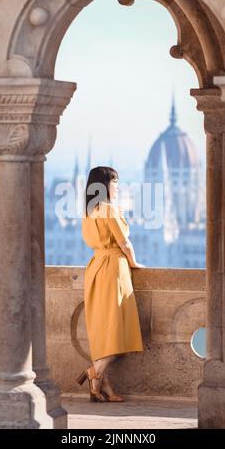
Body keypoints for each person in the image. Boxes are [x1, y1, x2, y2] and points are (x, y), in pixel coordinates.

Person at [76, 166, 145, 402]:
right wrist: (135, 263)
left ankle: (100, 384)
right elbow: (124, 242)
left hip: (96, 266)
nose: (118, 186)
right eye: (115, 182)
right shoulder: (109, 210)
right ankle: (94, 372)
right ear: (105, 185)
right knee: (118, 329)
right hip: (114, 268)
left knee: (103, 329)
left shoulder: (89, 212)